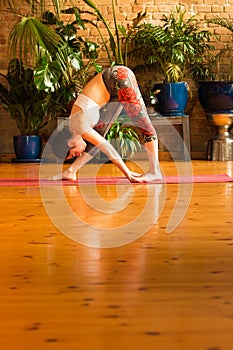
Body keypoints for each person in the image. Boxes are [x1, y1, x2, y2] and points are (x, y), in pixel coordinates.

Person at [49, 65, 162, 183]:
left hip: (117, 77)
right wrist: (127, 171)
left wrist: (127, 173)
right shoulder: (76, 129)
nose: (78, 154)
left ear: (70, 143)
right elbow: (102, 146)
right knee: (99, 136)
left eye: (73, 154)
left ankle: (155, 171)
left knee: (142, 122)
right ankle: (71, 171)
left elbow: (108, 149)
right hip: (111, 92)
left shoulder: (79, 125)